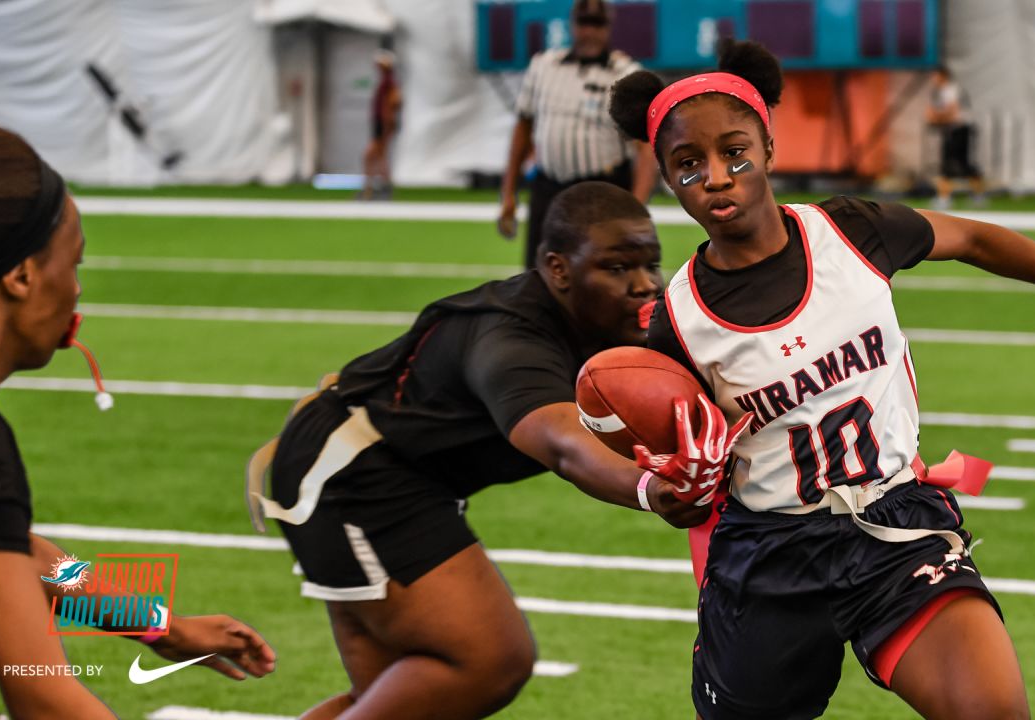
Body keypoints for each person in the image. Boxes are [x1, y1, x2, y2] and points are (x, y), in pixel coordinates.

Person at [609, 41, 1035, 719]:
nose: (718, 177)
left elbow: (980, 241)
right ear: (667, 177)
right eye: (689, 165)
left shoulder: (851, 231)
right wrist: (674, 492)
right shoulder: (675, 319)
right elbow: (673, 474)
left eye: (736, 152)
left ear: (770, 147)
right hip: (770, 553)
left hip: (894, 524)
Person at [247, 181, 714, 719]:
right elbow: (561, 442)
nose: (643, 285)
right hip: (353, 471)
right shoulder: (510, 339)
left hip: (396, 472)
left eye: (650, 264)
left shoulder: (611, 322)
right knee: (491, 660)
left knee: (400, 700)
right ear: (558, 269)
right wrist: (649, 490)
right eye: (616, 268)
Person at [0, 122, 277, 718]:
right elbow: (40, 690)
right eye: (73, 266)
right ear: (21, 274)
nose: (77, 290)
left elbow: (18, 552)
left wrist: (162, 628)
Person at [497, 0, 658, 269]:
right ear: (573, 25)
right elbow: (523, 128)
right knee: (540, 273)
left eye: (597, 24)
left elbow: (645, 147)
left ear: (608, 27)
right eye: (584, 23)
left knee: (603, 274)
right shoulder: (543, 66)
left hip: (603, 190)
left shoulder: (626, 73)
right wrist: (508, 192)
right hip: (549, 188)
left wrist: (637, 207)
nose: (589, 32)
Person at [927, 65, 986, 209]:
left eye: (935, 76)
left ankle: (945, 197)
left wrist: (936, 117)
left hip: (959, 129)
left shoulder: (950, 89)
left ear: (942, 75)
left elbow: (951, 111)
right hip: (954, 128)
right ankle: (973, 195)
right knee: (957, 163)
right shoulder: (941, 91)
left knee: (953, 163)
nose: (932, 79)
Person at [361, 49, 402, 201]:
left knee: (371, 156)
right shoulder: (386, 82)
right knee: (378, 157)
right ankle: (378, 188)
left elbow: (393, 105)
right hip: (381, 124)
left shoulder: (389, 84)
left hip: (383, 124)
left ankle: (372, 189)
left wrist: (387, 126)